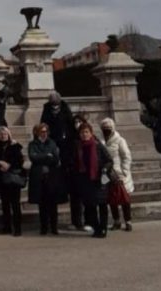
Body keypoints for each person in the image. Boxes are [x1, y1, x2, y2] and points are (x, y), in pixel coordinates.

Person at [40, 92, 80, 230]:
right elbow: (43, 125)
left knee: (75, 193)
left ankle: (77, 221)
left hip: (67, 156)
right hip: (54, 155)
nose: (54, 104)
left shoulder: (65, 110)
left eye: (56, 102)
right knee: (53, 192)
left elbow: (70, 124)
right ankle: (52, 224)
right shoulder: (46, 109)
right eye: (52, 102)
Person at [74, 123, 114, 238]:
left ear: (91, 133)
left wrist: (105, 168)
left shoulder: (97, 145)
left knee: (102, 205)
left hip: (99, 179)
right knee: (90, 206)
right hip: (85, 180)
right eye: (82, 132)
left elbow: (109, 160)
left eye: (86, 132)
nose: (84, 134)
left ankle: (103, 229)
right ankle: (96, 228)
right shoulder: (78, 147)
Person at [28, 123, 66, 235]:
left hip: (51, 176)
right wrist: (46, 156)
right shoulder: (33, 144)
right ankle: (43, 227)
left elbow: (55, 158)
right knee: (42, 204)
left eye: (45, 131)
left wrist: (43, 157)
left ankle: (54, 227)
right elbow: (32, 157)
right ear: (37, 132)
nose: (44, 134)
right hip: (39, 177)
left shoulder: (52, 142)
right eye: (41, 131)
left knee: (53, 204)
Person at [0, 127, 27, 236]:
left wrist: (8, 166)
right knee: (5, 204)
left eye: (4, 134)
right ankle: (7, 227)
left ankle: (18, 228)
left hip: (13, 178)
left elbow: (20, 161)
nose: (3, 136)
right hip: (1, 178)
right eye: (1, 134)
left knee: (15, 204)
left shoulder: (15, 146)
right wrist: (0, 163)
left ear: (8, 134)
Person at [101, 118, 134, 232]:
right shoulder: (102, 142)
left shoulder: (120, 140)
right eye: (104, 129)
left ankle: (128, 221)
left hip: (120, 174)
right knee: (112, 199)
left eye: (108, 128)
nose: (106, 130)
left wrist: (124, 171)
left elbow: (126, 156)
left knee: (124, 199)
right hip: (108, 174)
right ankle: (116, 221)